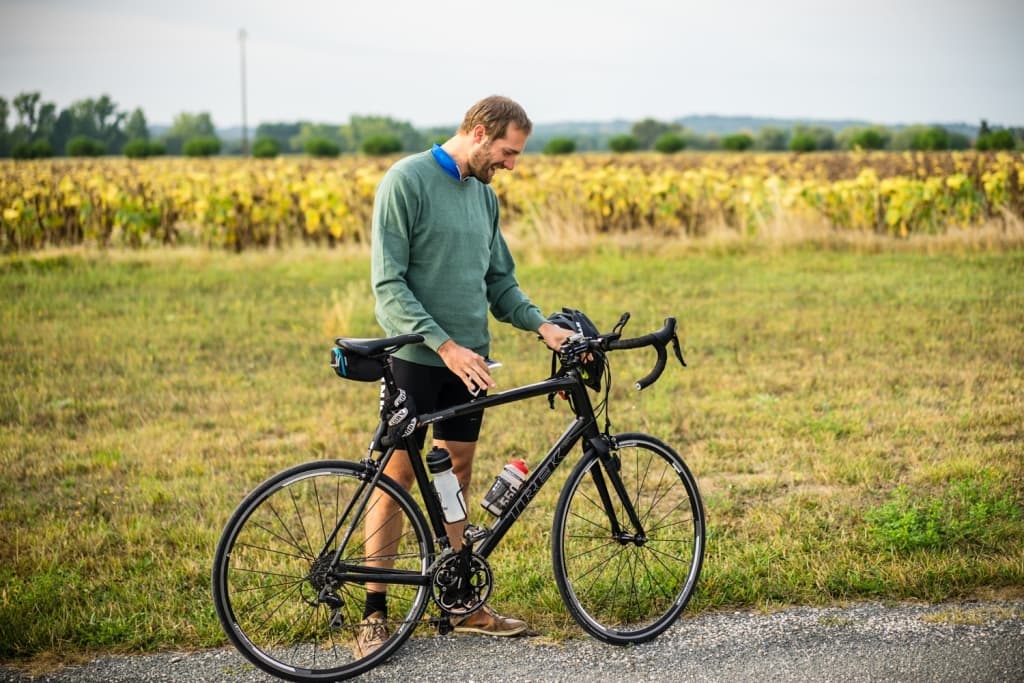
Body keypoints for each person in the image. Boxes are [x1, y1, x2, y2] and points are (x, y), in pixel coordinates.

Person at [357, 95, 575, 657]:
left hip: (469, 361)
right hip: (417, 358)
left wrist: (541, 326)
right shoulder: (405, 181)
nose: (511, 164)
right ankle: (374, 611)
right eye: (507, 151)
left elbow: (499, 282)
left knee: (455, 469)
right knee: (397, 477)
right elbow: (389, 287)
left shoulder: (483, 197)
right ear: (479, 133)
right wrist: (444, 346)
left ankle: (459, 602)